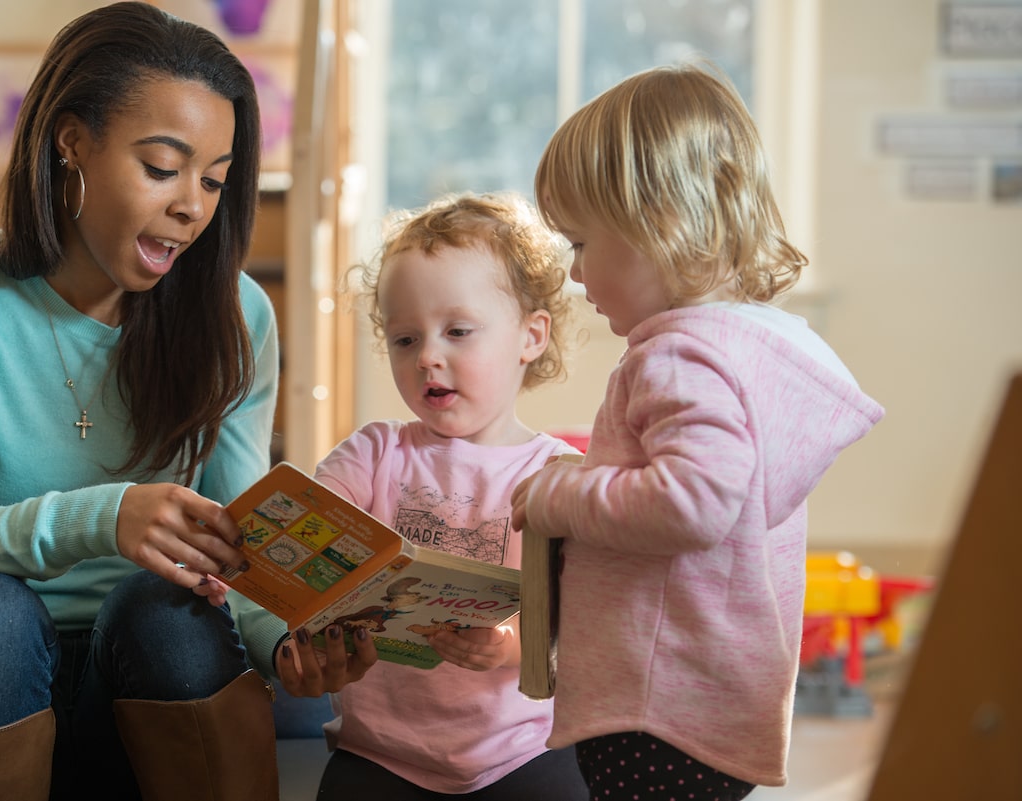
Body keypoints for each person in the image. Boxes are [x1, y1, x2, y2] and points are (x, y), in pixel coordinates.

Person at [0, 4, 373, 799]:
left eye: (213, 179)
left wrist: (287, 643)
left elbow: (239, 543)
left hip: (139, 682)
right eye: (163, 167)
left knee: (167, 608)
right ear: (73, 143)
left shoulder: (237, 315)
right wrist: (105, 516)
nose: (192, 207)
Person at [508, 63, 885, 801]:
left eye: (582, 244)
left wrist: (562, 496)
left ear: (663, 224)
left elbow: (693, 502)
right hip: (715, 698)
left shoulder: (678, 355)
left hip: (655, 708)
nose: (577, 275)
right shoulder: (757, 343)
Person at [308, 192, 589, 800]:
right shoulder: (375, 452)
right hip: (380, 752)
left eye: (458, 331)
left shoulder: (559, 474)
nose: (428, 356)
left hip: (519, 752)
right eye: (405, 340)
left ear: (530, 336)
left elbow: (587, 617)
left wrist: (514, 645)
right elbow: (302, 519)